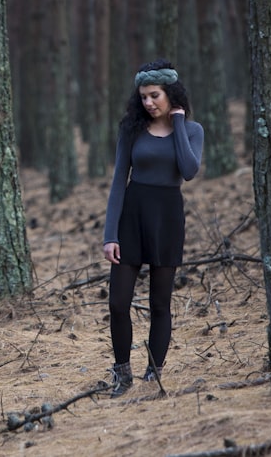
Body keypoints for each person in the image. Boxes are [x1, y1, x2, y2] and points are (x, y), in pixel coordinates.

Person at [102, 59, 204, 397]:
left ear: (171, 94)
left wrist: (176, 121)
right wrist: (110, 235)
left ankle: (153, 373)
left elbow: (188, 170)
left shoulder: (191, 131)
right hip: (132, 215)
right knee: (118, 302)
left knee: (160, 303)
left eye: (155, 95)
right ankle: (122, 374)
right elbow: (119, 181)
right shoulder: (131, 130)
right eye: (143, 97)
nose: (148, 103)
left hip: (168, 217)